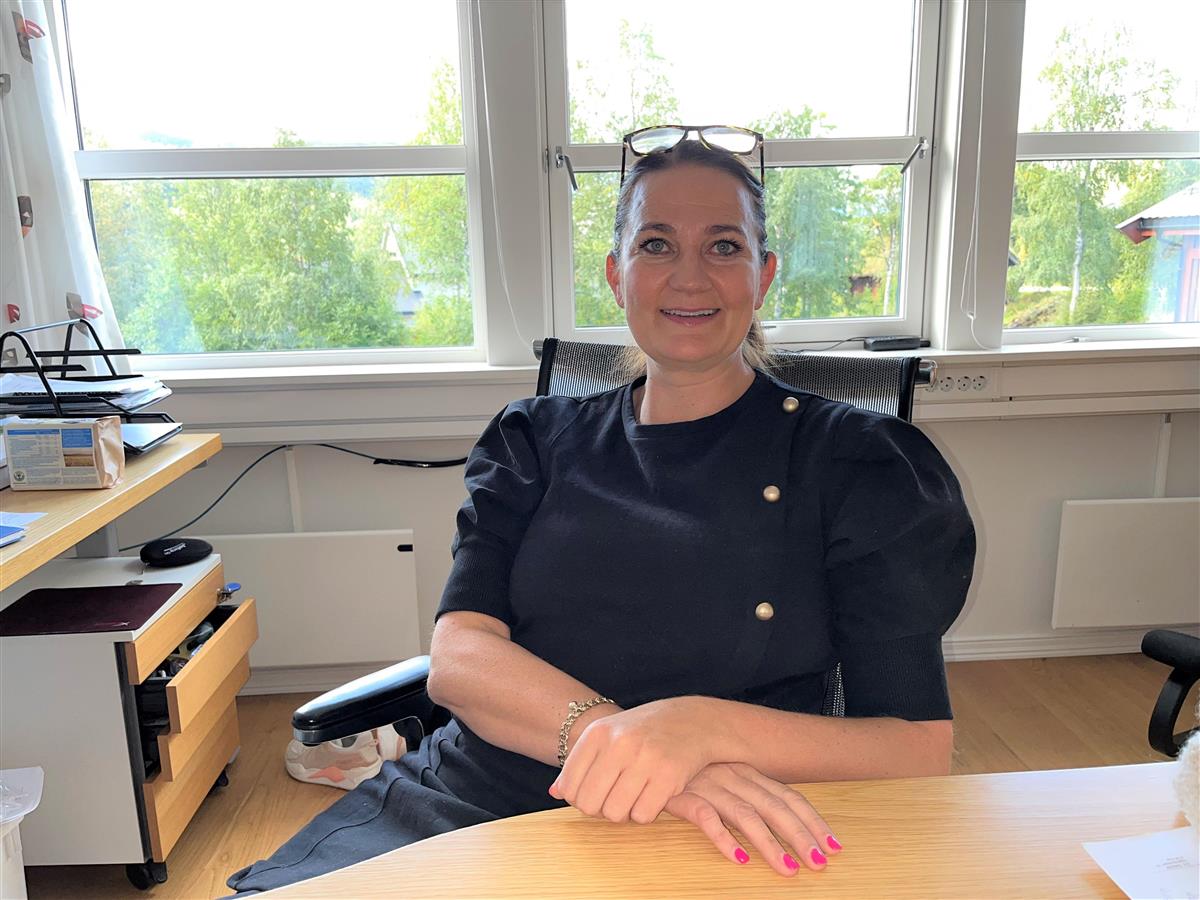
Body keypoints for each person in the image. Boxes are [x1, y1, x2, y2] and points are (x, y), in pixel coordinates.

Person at [226, 132, 975, 895]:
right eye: (657, 244)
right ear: (617, 275)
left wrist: (699, 729)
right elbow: (460, 657)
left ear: (764, 274)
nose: (689, 275)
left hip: (725, 826)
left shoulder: (860, 462)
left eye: (723, 246)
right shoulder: (533, 439)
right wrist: (621, 744)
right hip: (472, 805)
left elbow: (914, 747)